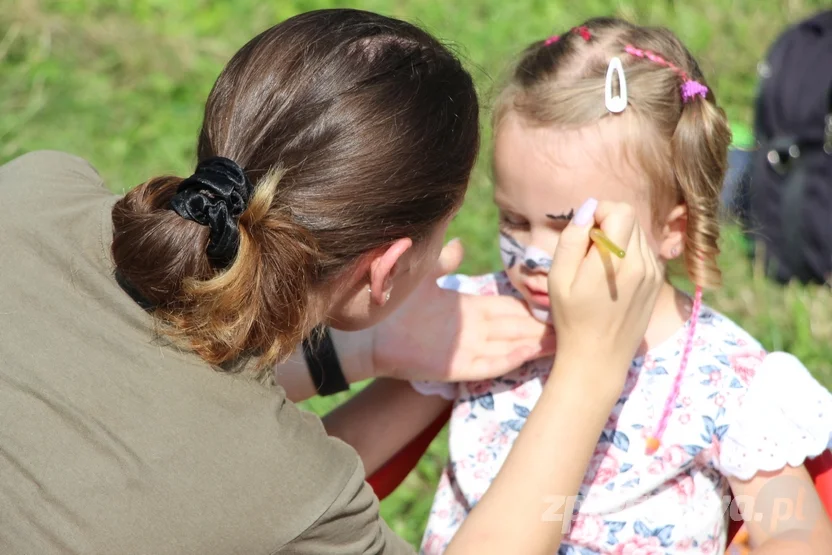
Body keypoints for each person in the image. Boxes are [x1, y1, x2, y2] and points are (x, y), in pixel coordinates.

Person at [0, 9, 665, 555]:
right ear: (386, 268)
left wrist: (355, 352)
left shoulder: (38, 186)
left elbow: (144, 374)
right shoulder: (291, 491)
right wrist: (589, 370)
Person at [414, 17, 832, 554]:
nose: (538, 257)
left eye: (573, 228)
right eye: (514, 221)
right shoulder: (481, 323)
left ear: (670, 230)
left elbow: (796, 527)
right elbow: (341, 464)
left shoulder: (722, 375)